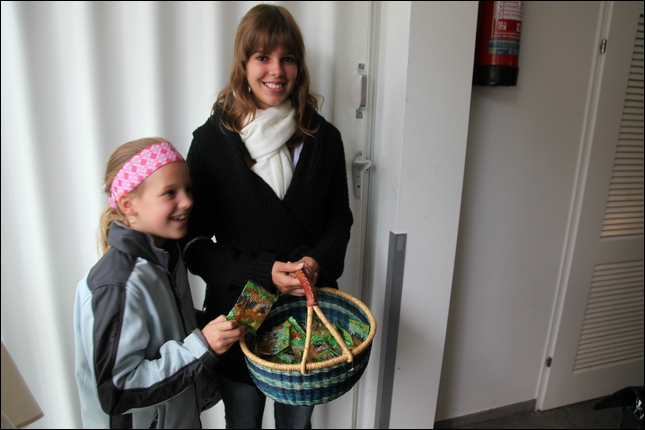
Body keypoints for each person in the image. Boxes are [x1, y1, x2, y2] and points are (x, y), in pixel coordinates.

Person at [181, 3, 354, 429]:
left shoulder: (323, 139)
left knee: (297, 421)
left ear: (299, 66)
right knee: (242, 419)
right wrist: (263, 272)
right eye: (263, 57)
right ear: (243, 64)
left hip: (306, 303)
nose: (276, 70)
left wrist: (316, 262)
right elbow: (194, 247)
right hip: (243, 307)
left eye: (287, 58)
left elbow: (339, 222)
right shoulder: (211, 144)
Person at [73, 137, 246, 429]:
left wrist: (213, 325)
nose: (188, 201)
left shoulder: (167, 256)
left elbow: (164, 328)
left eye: (188, 189)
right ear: (128, 204)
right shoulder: (117, 285)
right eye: (170, 192)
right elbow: (117, 390)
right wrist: (202, 346)